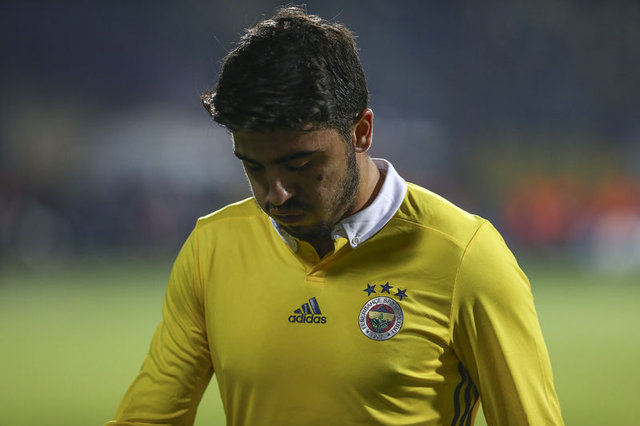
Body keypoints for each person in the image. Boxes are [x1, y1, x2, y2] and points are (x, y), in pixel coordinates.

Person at [107, 6, 563, 426]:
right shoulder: (212, 247)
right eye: (254, 167)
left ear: (361, 132)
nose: (276, 194)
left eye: (300, 164)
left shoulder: (466, 257)